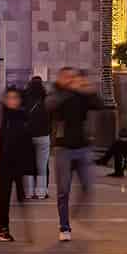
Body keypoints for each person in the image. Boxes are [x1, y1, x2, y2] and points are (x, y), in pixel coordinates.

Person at [48, 68, 103, 241]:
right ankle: (64, 227)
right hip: (63, 148)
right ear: (61, 78)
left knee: (87, 185)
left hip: (83, 147)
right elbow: (50, 106)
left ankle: (76, 214)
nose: (71, 80)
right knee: (63, 190)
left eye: (73, 77)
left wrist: (89, 89)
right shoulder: (57, 94)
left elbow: (99, 105)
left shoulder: (82, 95)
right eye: (67, 77)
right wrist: (68, 90)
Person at [0, 86, 36, 242]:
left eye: (15, 98)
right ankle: (3, 229)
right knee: (4, 196)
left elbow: (29, 142)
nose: (12, 101)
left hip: (20, 162)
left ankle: (24, 228)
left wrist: (31, 166)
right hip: (4, 161)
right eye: (9, 98)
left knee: (21, 196)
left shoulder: (24, 116)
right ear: (4, 99)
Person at [23, 77, 51, 200]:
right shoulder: (47, 99)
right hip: (43, 135)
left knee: (28, 165)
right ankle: (41, 192)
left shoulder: (24, 98)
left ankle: (28, 192)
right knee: (42, 166)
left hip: (27, 136)